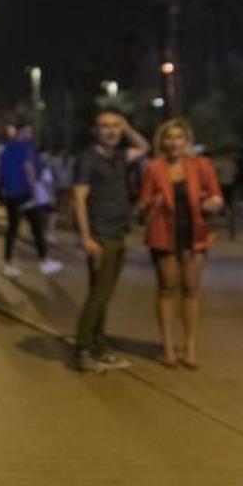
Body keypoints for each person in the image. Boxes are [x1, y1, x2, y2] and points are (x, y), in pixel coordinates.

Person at [139, 119, 223, 369]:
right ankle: (167, 347)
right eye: (169, 137)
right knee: (166, 290)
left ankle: (190, 347)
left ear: (187, 141)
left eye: (179, 137)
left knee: (191, 290)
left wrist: (214, 203)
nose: (174, 142)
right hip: (164, 235)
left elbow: (217, 195)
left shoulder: (202, 165)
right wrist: (149, 205)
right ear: (161, 142)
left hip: (195, 235)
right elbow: (142, 206)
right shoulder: (154, 168)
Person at [72, 109, 150, 373]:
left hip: (117, 232)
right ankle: (84, 349)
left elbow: (144, 146)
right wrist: (86, 238)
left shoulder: (118, 156)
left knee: (103, 295)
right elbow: (79, 198)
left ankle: (98, 345)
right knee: (98, 295)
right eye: (105, 126)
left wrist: (127, 127)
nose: (112, 131)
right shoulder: (88, 158)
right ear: (95, 130)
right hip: (100, 235)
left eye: (116, 126)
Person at [0, 123, 52, 277]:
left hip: (11, 194)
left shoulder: (6, 149)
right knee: (36, 227)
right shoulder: (24, 148)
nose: (30, 134)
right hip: (24, 193)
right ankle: (44, 261)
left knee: (12, 228)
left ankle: (7, 263)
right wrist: (35, 194)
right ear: (20, 132)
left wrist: (3, 192)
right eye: (28, 131)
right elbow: (29, 170)